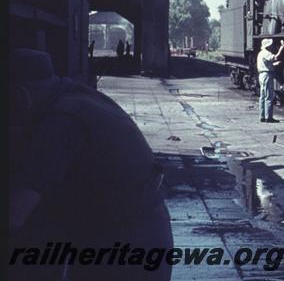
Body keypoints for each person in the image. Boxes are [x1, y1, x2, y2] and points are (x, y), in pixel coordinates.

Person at [9, 49, 173, 280]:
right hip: (140, 234)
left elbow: (15, 213)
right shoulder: (76, 97)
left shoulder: (62, 122)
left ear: (19, 96)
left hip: (126, 248)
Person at [257, 38, 280, 123]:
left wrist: (274, 64)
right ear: (267, 46)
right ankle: (269, 118)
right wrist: (282, 47)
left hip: (262, 75)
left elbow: (267, 63)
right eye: (270, 45)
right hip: (267, 75)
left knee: (262, 96)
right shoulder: (267, 53)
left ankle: (262, 116)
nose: (272, 46)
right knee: (269, 96)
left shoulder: (260, 53)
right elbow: (275, 57)